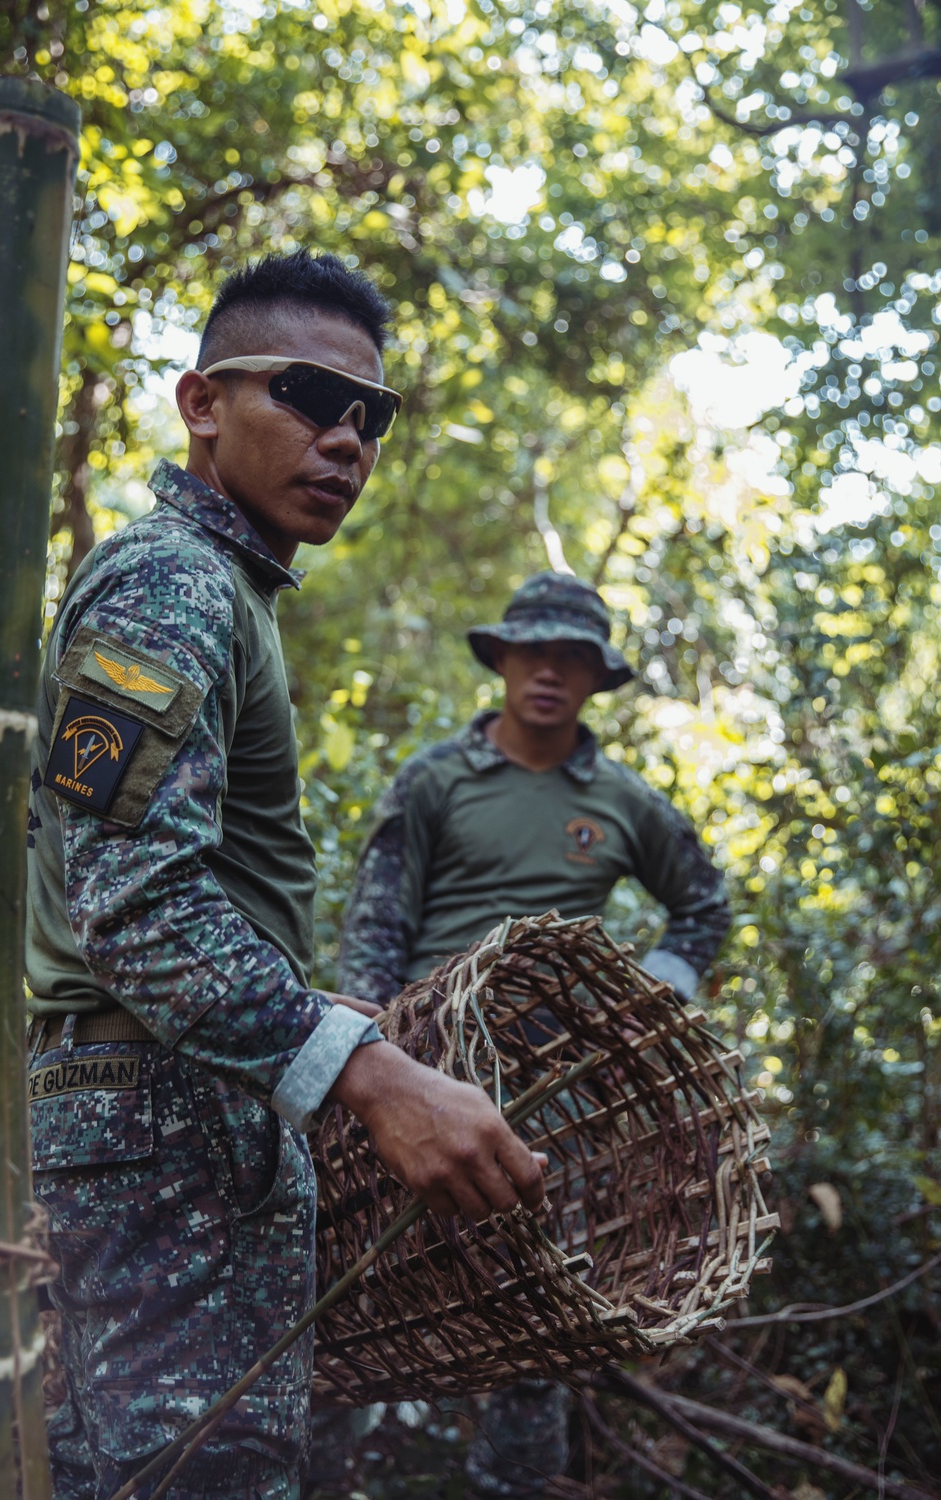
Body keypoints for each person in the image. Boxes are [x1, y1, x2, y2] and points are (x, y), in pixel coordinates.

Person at [25, 250, 545, 1500]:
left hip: (183, 1109)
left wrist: (318, 1015)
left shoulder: (231, 591)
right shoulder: (171, 579)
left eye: (371, 415)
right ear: (202, 402)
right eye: (309, 398)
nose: (348, 441)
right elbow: (133, 903)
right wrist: (362, 1072)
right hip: (153, 1116)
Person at [335, 571, 731, 1498]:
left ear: (598, 678)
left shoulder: (625, 800)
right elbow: (377, 925)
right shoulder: (435, 779)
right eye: (534, 652)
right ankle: (355, 1475)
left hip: (554, 1089)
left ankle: (514, 1484)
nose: (549, 672)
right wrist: (368, 1056)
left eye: (573, 659)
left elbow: (702, 906)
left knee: (539, 1308)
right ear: (502, 660)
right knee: (369, 1280)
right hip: (420, 1069)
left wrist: (655, 990)